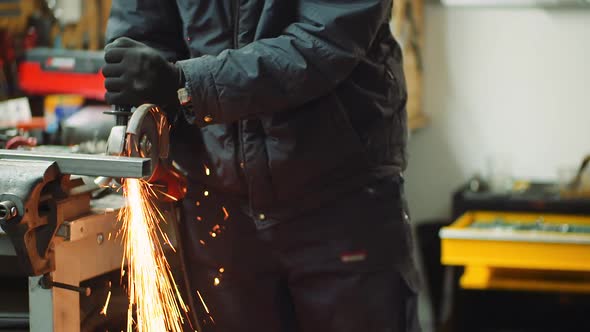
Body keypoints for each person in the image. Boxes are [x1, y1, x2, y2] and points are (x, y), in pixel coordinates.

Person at [103, 1, 420, 331]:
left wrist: (185, 83)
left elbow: (321, 44)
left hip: (338, 205)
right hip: (221, 209)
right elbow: (142, 28)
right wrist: (141, 79)